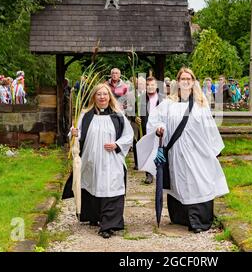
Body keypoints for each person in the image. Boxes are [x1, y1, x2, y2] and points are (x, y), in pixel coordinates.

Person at [143, 67, 229, 233]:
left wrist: (214, 150)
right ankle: (182, 218)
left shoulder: (200, 104)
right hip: (176, 151)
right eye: (183, 78)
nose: (186, 81)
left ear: (193, 81)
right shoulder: (169, 103)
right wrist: (159, 128)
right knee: (180, 181)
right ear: (178, 81)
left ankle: (199, 220)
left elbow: (210, 127)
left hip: (197, 150)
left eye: (189, 78)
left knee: (198, 181)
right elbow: (156, 120)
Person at [66, 83, 134, 238]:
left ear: (110, 96)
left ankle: (109, 225)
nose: (102, 97)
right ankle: (95, 217)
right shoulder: (86, 115)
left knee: (111, 187)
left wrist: (117, 144)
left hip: (112, 160)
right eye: (99, 94)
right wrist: (74, 133)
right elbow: (78, 136)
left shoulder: (118, 115)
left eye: (105, 94)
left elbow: (128, 136)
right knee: (94, 185)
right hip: (92, 160)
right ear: (94, 97)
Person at [135, 76, 164, 184]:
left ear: (156, 86)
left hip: (158, 127)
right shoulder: (141, 98)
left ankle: (160, 172)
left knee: (158, 149)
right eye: (148, 85)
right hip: (145, 127)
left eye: (152, 85)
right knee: (147, 150)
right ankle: (149, 175)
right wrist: (135, 118)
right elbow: (133, 111)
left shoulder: (162, 98)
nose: (150, 87)